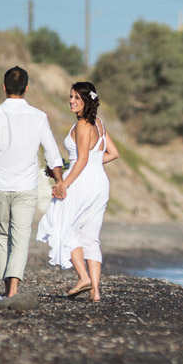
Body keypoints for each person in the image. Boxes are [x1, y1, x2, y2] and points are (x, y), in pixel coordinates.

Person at [0, 66, 64, 298]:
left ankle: (6, 286)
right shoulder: (38, 117)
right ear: (27, 88)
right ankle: (14, 290)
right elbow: (52, 153)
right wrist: (59, 180)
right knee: (20, 236)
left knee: (2, 234)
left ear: (3, 86)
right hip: (25, 186)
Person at [36, 81, 119, 302]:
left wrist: (64, 183)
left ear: (86, 101)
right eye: (71, 97)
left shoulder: (83, 125)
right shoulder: (99, 124)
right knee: (91, 236)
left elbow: (81, 159)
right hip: (99, 180)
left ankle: (83, 277)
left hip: (81, 180)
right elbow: (113, 153)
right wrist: (92, 164)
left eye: (76, 98)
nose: (72, 101)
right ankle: (95, 291)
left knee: (63, 224)